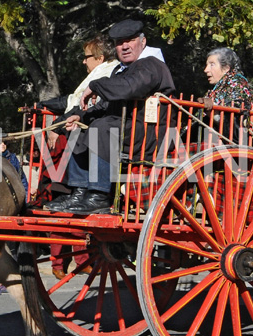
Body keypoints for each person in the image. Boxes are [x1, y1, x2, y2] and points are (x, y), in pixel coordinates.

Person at [45, 19, 176, 214]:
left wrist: (97, 84)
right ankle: (80, 191)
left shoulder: (151, 65)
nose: (124, 46)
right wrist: (76, 117)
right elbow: (104, 104)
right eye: (119, 42)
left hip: (150, 132)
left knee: (102, 127)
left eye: (129, 40)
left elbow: (128, 88)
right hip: (126, 126)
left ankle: (99, 195)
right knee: (81, 128)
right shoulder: (121, 69)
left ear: (143, 41)